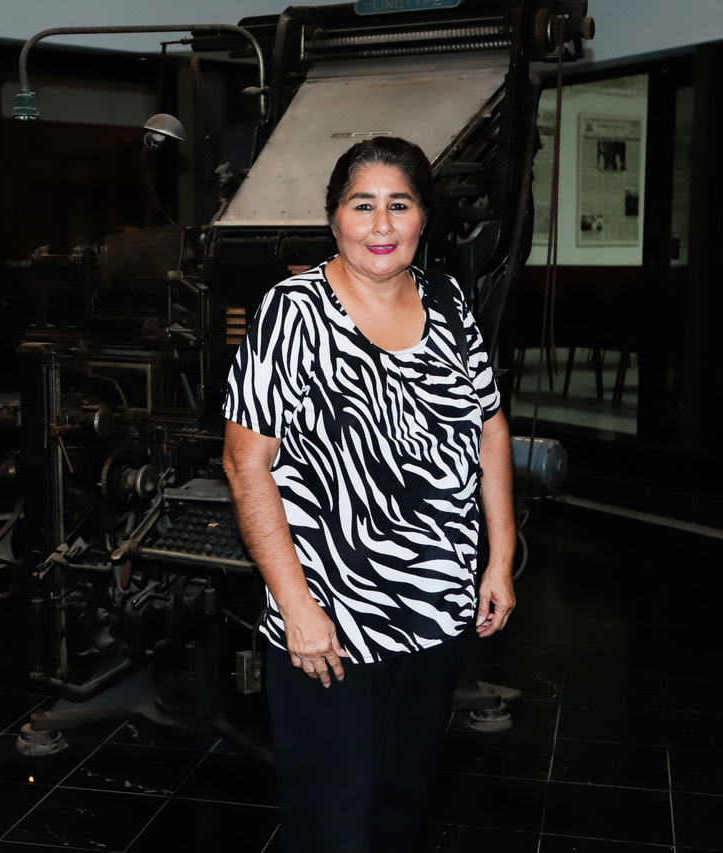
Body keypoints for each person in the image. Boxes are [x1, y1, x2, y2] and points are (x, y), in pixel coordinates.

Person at [221, 136, 517, 853]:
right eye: (363, 205)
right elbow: (244, 463)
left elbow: (489, 426)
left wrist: (500, 557)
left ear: (424, 218)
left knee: (399, 813)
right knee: (335, 826)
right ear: (334, 216)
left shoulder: (449, 301)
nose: (381, 225)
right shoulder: (293, 312)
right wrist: (296, 607)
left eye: (399, 205)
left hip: (437, 614)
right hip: (332, 625)